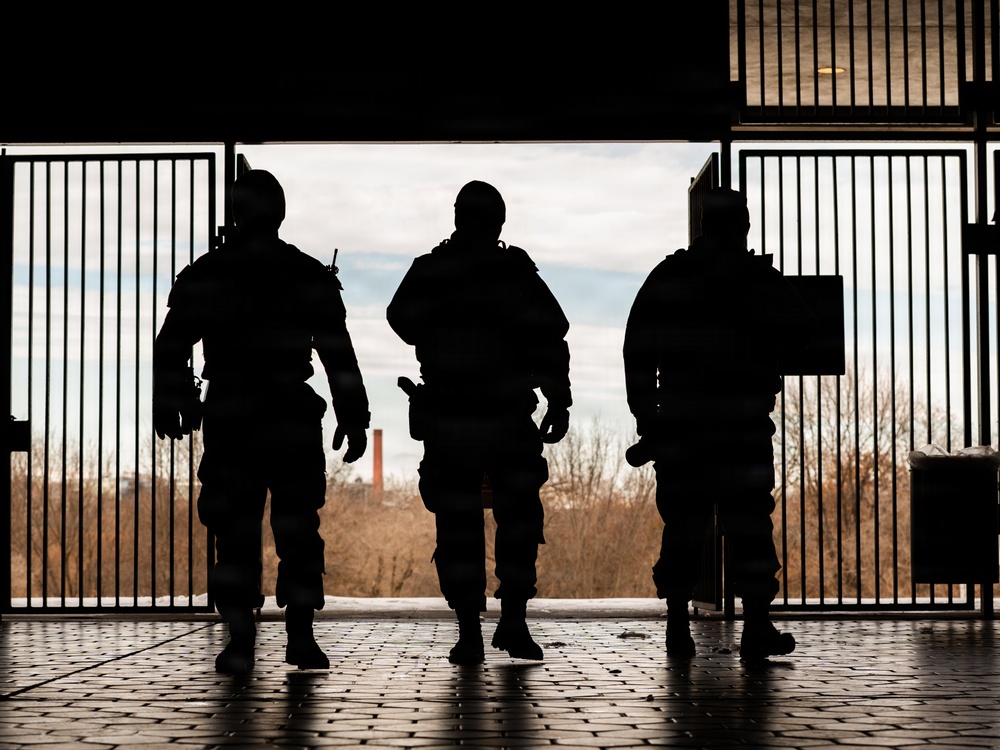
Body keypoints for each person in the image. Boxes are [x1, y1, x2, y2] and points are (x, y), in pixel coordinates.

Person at [153, 169, 370, 675]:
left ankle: (241, 639)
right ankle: (300, 637)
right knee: (298, 531)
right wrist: (353, 416)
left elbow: (171, 344)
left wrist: (173, 399)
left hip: (232, 416)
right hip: (290, 417)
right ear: (280, 214)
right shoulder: (306, 273)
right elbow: (338, 355)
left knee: (234, 533)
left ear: (236, 214)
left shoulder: (209, 271)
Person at [387, 181, 571, 665]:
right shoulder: (514, 271)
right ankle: (512, 623)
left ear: (457, 217)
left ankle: (470, 631)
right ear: (499, 222)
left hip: (452, 418)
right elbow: (553, 336)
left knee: (459, 527)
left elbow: (401, 319)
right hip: (506, 416)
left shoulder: (432, 269)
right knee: (517, 522)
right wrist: (558, 399)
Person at [622, 187, 799, 661]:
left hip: (683, 430)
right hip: (743, 429)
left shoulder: (670, 276)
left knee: (683, 525)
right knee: (751, 527)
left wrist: (649, 418)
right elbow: (803, 335)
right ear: (743, 226)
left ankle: (677, 626)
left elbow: (637, 351)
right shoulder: (758, 280)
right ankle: (755, 627)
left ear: (703, 224)